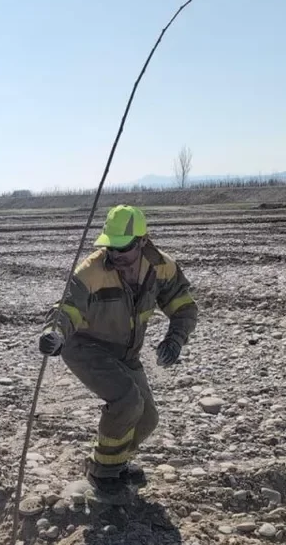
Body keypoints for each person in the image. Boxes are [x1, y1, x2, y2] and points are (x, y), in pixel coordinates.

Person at [38, 204, 198, 504]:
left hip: (125, 352)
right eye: (110, 247)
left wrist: (175, 340)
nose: (115, 254)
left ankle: (114, 462)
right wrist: (55, 333)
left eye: (122, 248)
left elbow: (183, 306)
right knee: (127, 400)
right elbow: (67, 308)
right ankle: (103, 474)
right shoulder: (92, 270)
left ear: (142, 241)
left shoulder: (162, 267)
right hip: (84, 347)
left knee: (147, 418)